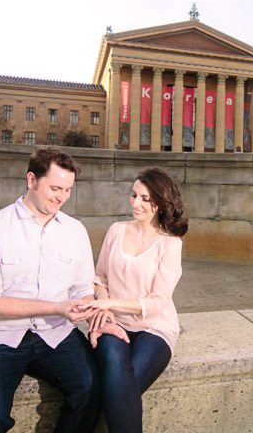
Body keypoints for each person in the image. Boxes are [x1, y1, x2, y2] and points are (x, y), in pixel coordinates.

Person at [0, 149, 101, 433]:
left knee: (93, 388)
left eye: (68, 190)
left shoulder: (75, 231)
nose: (61, 197)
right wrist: (56, 307)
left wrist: (91, 309)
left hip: (55, 333)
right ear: (31, 180)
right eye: (55, 188)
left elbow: (84, 288)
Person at [79, 167, 187, 433]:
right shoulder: (116, 230)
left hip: (155, 328)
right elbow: (100, 277)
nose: (135, 203)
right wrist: (105, 309)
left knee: (120, 386)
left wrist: (108, 304)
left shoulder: (170, 244)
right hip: (112, 321)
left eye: (144, 198)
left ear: (161, 203)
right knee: (116, 375)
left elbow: (157, 302)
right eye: (134, 195)